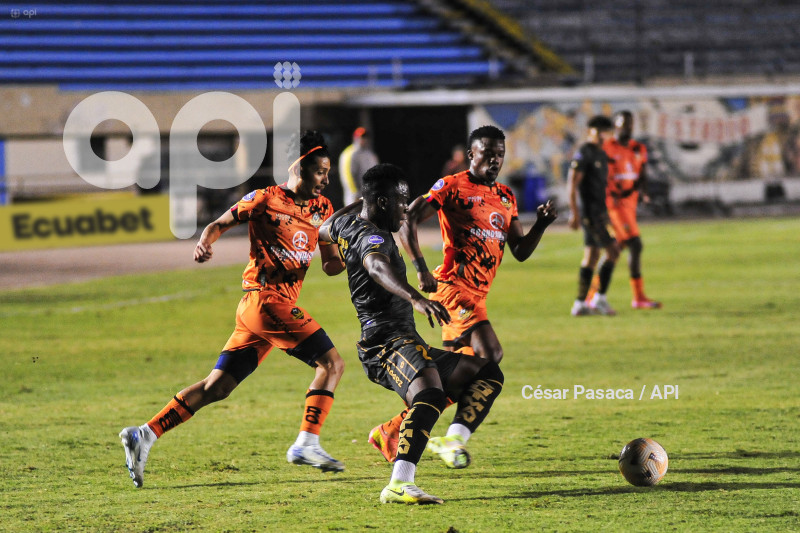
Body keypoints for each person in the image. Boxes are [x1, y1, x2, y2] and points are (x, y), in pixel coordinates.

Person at [119, 131, 347, 488]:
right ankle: (307, 441)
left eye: (328, 172)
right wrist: (204, 244)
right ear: (299, 167)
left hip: (268, 311)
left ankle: (144, 434)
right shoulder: (265, 200)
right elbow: (218, 224)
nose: (326, 179)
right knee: (332, 363)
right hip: (264, 301)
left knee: (217, 387)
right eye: (320, 171)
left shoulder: (323, 209)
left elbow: (331, 266)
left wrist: (343, 251)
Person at [367, 125, 558, 463]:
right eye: (487, 153)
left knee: (461, 377)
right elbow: (409, 218)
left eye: (500, 154)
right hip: (454, 290)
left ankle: (394, 430)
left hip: (478, 295)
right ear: (472, 154)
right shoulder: (453, 186)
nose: (495, 160)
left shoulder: (506, 197)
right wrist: (421, 268)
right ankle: (453, 440)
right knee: (492, 354)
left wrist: (541, 225)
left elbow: (520, 251)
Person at [319, 163, 505, 504]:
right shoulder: (373, 237)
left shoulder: (348, 223)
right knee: (431, 394)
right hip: (384, 343)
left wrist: (329, 259)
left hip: (405, 339)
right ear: (384, 202)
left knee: (487, 372)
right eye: (402, 201)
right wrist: (416, 298)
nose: (407, 210)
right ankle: (399, 483)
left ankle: (421, 438)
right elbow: (377, 267)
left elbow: (325, 228)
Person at [602, 111, 662, 309]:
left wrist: (645, 193)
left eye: (630, 124)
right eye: (624, 124)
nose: (627, 128)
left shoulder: (638, 148)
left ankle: (592, 294)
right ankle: (638, 297)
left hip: (630, 205)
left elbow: (642, 173)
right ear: (616, 126)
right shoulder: (607, 148)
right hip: (615, 205)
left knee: (615, 250)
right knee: (635, 245)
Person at [567, 115, 620, 316]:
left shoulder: (600, 154)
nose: (603, 136)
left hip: (600, 212)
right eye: (600, 132)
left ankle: (581, 303)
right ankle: (598, 299)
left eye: (606, 132)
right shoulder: (584, 153)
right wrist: (575, 214)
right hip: (590, 213)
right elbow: (572, 184)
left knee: (592, 256)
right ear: (590, 131)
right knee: (613, 251)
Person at [338, 127, 379, 205]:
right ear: (355, 138)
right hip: (355, 197)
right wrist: (355, 193)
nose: (364, 140)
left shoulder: (370, 154)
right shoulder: (349, 153)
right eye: (362, 137)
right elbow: (347, 175)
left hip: (369, 195)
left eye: (366, 137)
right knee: (354, 216)